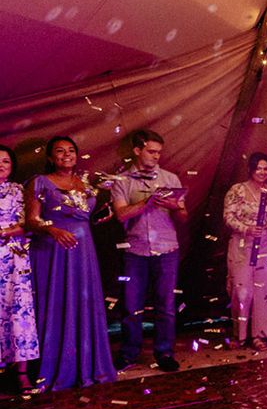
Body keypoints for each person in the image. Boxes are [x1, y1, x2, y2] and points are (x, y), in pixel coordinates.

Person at [24, 136, 116, 390]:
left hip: (83, 252)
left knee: (83, 304)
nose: (66, 155)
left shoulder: (85, 183)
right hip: (53, 251)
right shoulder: (39, 182)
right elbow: (31, 221)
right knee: (55, 304)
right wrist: (52, 230)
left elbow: (83, 217)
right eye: (60, 151)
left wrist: (99, 218)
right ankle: (54, 369)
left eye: (71, 150)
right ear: (50, 158)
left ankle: (87, 365)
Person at [111, 130, 187, 372]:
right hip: (135, 250)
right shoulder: (121, 181)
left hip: (167, 248)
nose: (156, 156)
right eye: (151, 151)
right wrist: (148, 203)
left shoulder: (170, 178)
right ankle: (129, 353)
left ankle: (164, 353)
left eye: (159, 152)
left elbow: (184, 217)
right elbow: (121, 214)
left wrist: (176, 207)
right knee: (132, 305)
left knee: (166, 304)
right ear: (137, 151)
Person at [223, 152, 267, 348]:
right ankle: (240, 335)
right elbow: (228, 217)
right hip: (242, 245)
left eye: (266, 169)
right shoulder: (237, 190)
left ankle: (260, 335)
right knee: (242, 291)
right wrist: (246, 229)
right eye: (259, 168)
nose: (262, 172)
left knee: (264, 290)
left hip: (265, 246)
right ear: (251, 169)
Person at [0, 145, 39, 392]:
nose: (1, 164)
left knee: (19, 312)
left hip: (15, 257)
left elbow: (29, 224)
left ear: (12, 165)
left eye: (5, 160)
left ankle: (22, 372)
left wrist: (4, 231)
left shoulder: (18, 190)